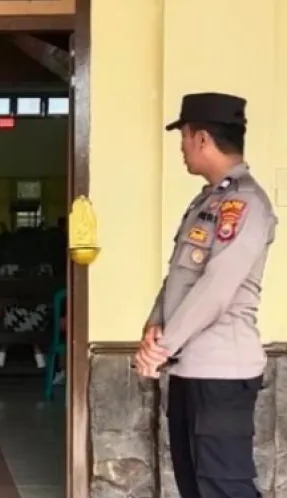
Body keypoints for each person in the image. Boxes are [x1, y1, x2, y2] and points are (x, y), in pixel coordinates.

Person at [133, 92, 277, 498]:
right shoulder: (208, 200)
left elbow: (216, 287)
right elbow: (180, 275)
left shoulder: (245, 203)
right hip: (189, 368)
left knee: (223, 488)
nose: (181, 147)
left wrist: (162, 348)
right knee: (195, 486)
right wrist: (154, 325)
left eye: (184, 137)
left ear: (201, 138)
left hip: (221, 373)